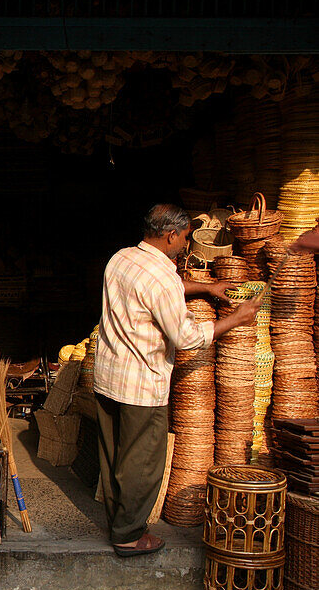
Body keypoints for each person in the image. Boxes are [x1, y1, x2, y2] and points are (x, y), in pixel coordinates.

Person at [94, 203, 260, 557]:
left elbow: (152, 292)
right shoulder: (163, 278)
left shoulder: (121, 258)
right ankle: (128, 536)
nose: (186, 244)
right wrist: (239, 318)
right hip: (142, 383)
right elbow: (185, 337)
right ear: (171, 235)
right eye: (185, 238)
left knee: (114, 457)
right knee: (143, 463)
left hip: (108, 377)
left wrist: (205, 287)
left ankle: (118, 522)